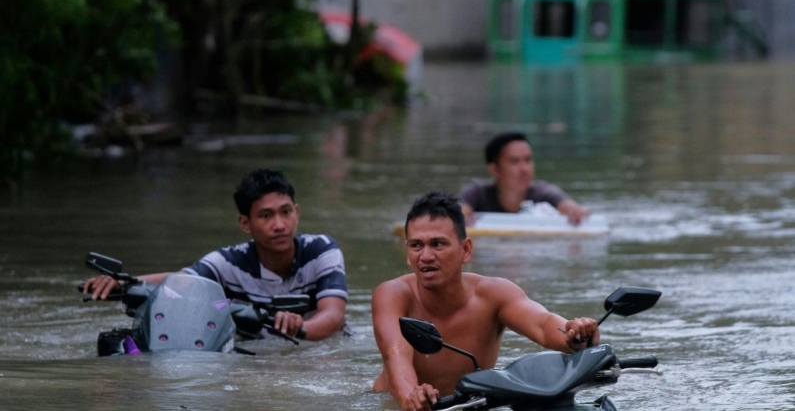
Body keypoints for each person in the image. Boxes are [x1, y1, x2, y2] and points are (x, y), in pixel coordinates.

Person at [371, 191, 600, 411]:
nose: (426, 256)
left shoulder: (495, 294)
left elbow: (542, 323)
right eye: (416, 245)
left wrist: (576, 334)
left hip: (469, 405)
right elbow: (395, 354)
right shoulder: (392, 294)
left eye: (438, 244)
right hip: (393, 405)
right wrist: (412, 396)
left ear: (466, 250)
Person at [82, 168, 348, 341]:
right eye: (266, 216)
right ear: (245, 223)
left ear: (297, 212)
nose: (279, 225)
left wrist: (298, 327)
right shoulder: (228, 262)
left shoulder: (322, 250)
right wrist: (122, 284)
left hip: (318, 350)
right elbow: (181, 281)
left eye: (286, 212)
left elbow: (333, 316)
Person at [458, 131, 589, 225]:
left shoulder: (543, 193)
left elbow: (569, 207)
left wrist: (577, 212)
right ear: (494, 169)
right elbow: (458, 213)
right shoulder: (477, 193)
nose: (525, 169)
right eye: (514, 162)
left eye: (528, 160)